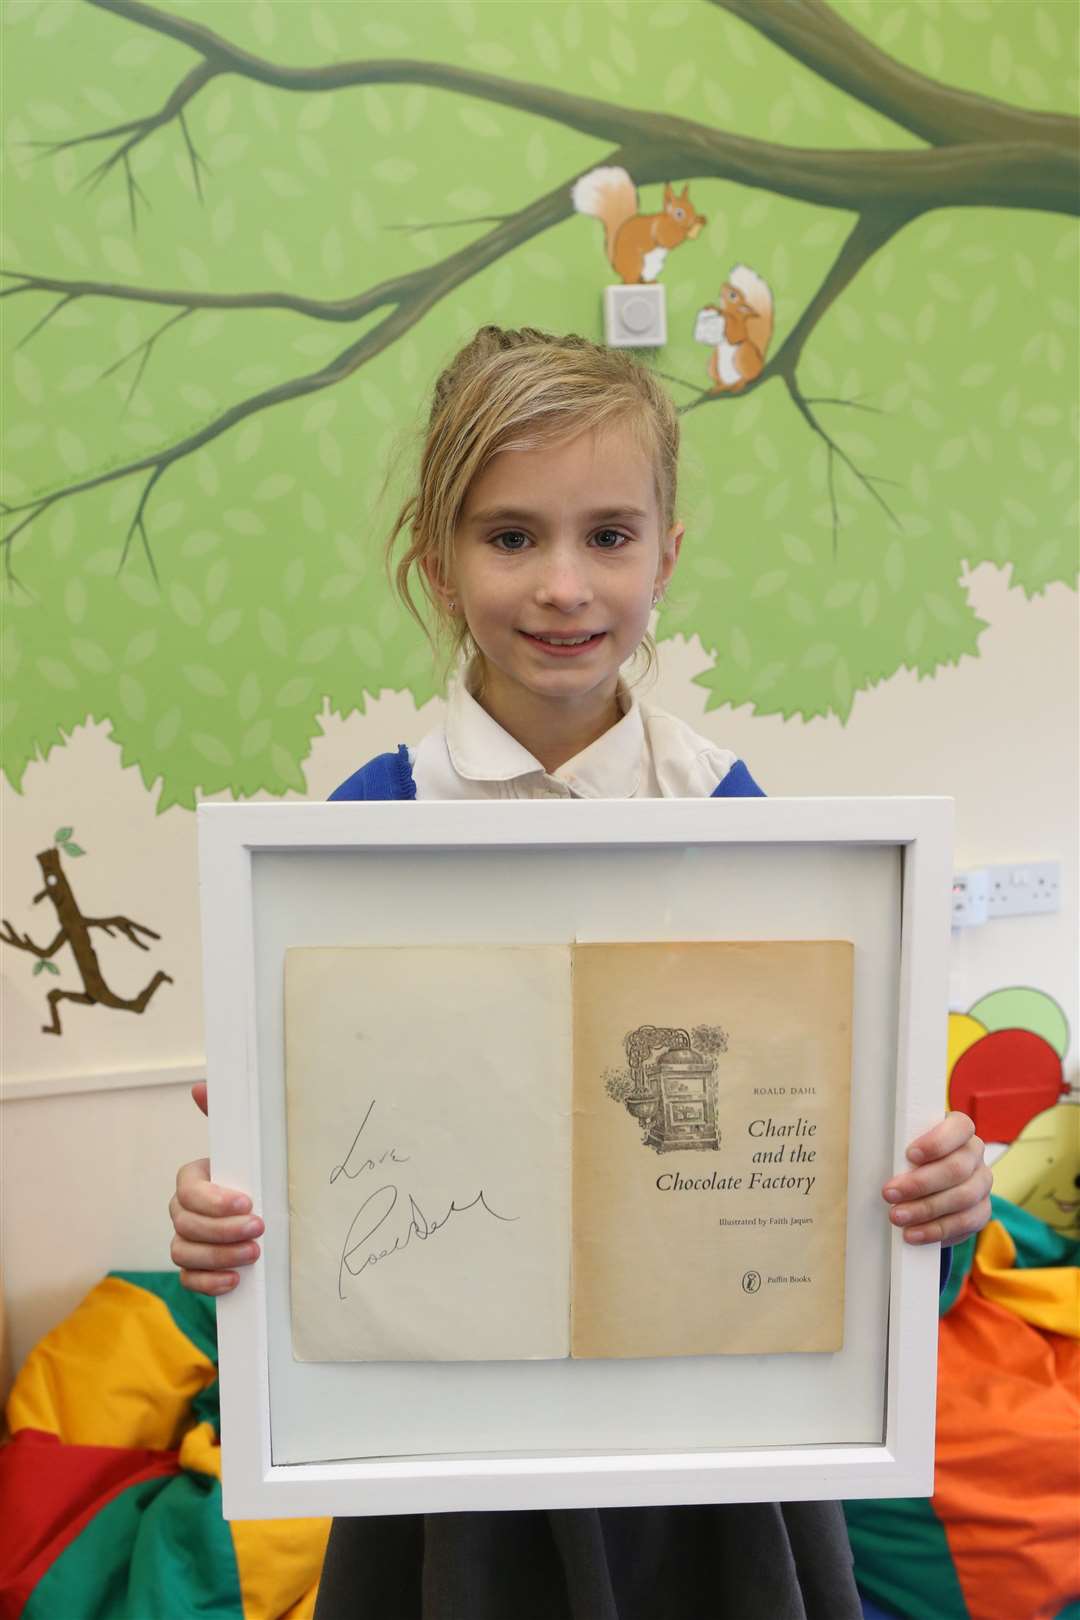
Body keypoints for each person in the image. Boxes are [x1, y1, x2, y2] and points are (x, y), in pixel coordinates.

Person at [169, 327, 993, 1620]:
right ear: (436, 561)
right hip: (452, 1476)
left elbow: (821, 1160)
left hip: (715, 1463)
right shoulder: (359, 837)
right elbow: (310, 1195)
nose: (564, 584)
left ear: (669, 553)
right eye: (511, 537)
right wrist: (226, 1235)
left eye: (609, 534)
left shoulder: (741, 822)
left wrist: (938, 1205)